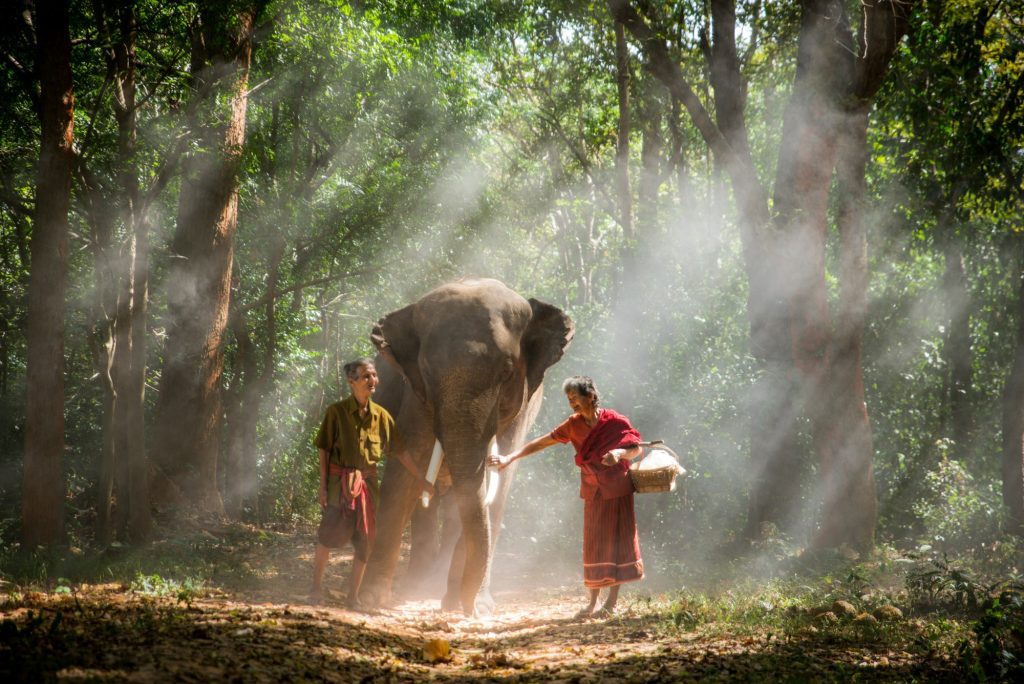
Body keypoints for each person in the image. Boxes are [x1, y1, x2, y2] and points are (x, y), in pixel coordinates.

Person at [489, 376, 644, 618]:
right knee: (593, 544)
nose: (572, 403)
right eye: (569, 399)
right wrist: (510, 458)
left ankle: (611, 604)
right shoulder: (573, 425)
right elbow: (543, 442)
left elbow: (637, 448)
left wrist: (618, 453)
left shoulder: (615, 421)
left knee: (617, 542)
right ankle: (592, 603)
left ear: (591, 395)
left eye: (575, 397)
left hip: (617, 489)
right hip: (593, 490)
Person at [309, 357, 431, 609]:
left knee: (365, 541)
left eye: (374, 375)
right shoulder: (336, 412)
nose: (372, 380)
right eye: (366, 376)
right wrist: (322, 487)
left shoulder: (382, 417)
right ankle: (316, 589)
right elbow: (324, 450)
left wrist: (422, 479)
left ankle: (353, 597)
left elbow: (400, 451)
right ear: (351, 381)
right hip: (339, 484)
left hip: (367, 486)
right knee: (328, 535)